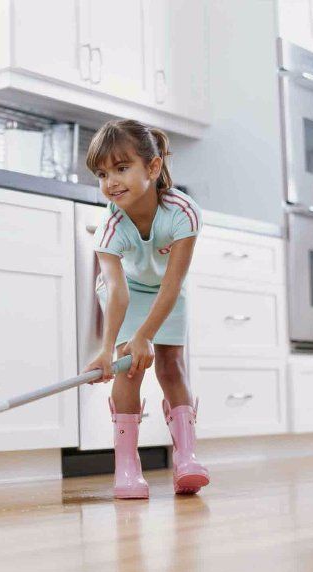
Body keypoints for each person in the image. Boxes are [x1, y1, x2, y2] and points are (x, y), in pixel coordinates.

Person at [82, 119, 209, 498]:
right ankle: (126, 467)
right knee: (128, 367)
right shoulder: (110, 225)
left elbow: (172, 285)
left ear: (153, 169)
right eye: (102, 173)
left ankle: (186, 458)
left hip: (167, 289)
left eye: (122, 169)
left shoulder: (183, 213)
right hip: (128, 292)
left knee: (171, 365)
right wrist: (108, 350)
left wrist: (147, 336)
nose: (111, 182)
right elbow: (117, 292)